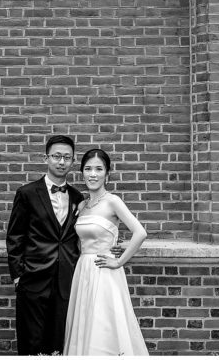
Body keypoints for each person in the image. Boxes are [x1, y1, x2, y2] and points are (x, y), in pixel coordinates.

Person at [63, 148, 149, 356]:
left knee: (104, 326)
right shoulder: (82, 205)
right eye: (88, 169)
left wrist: (119, 261)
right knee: (85, 324)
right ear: (82, 173)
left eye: (98, 169)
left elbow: (140, 233)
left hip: (105, 272)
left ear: (107, 174)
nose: (93, 174)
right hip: (83, 271)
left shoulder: (113, 201)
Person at [6, 134, 84, 355]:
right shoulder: (27, 193)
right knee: (32, 339)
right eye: (57, 156)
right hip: (33, 277)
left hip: (66, 279)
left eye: (67, 157)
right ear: (46, 158)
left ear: (73, 160)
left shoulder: (79, 197)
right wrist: (18, 275)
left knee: (61, 339)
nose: (61, 162)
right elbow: (15, 236)